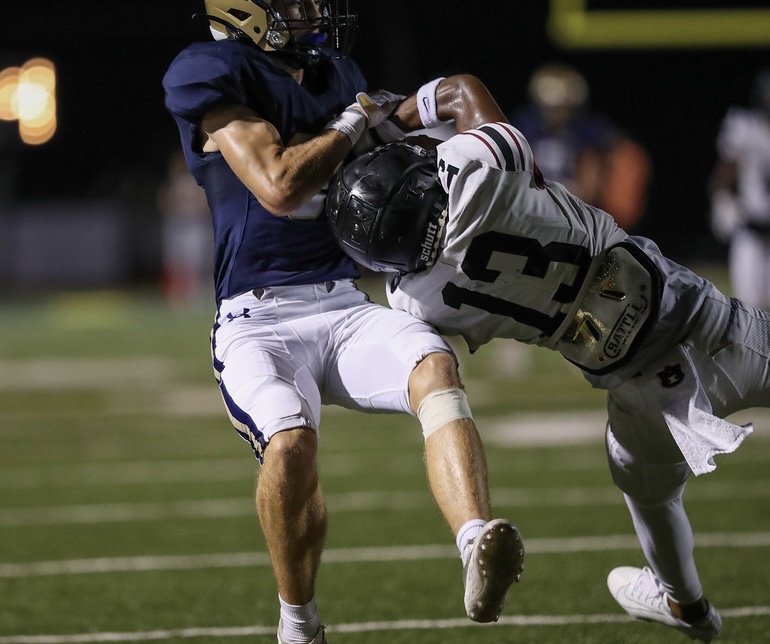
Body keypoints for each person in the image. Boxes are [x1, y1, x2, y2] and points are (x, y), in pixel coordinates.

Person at [327, 74, 770, 643]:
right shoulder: (476, 170)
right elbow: (463, 91)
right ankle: (678, 598)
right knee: (644, 482)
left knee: (647, 490)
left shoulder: (417, 297)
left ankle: (684, 602)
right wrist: (392, 120)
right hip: (715, 327)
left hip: (642, 393)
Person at [161, 3, 524, 642]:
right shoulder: (210, 73)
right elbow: (279, 186)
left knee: (434, 365)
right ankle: (298, 623)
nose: (311, 14)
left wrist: (434, 110)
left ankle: (476, 543)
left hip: (343, 304)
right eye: (294, 3)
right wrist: (357, 119)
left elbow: (389, 138)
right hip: (256, 318)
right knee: (291, 443)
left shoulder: (333, 71)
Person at [510, 63, 651, 231]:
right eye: (554, 107)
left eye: (566, 107)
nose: (560, 113)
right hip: (533, 199)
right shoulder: (525, 126)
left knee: (626, 157)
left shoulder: (587, 129)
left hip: (578, 203)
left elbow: (620, 154)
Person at [708, 68, 770, 311]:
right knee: (750, 308)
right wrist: (721, 199)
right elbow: (725, 170)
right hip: (751, 230)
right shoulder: (745, 126)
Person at [157, 149, 213, 306]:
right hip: (177, 224)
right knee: (176, 261)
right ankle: (177, 294)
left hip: (195, 224)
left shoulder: (197, 181)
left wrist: (191, 209)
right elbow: (164, 202)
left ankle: (200, 293)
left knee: (199, 260)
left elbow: (206, 206)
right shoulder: (173, 182)